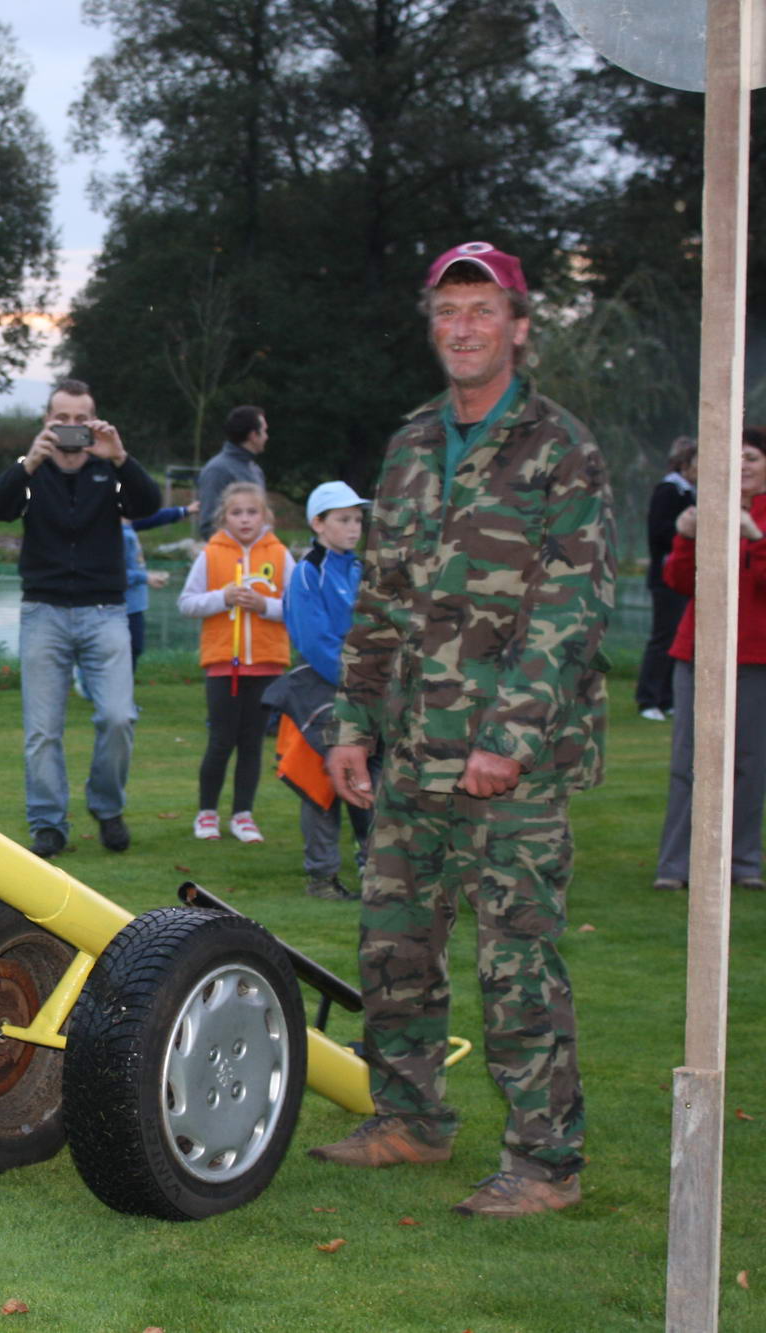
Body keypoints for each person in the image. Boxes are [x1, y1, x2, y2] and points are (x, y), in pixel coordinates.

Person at [312, 241, 613, 1219]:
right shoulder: (409, 444)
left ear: (518, 327)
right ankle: (410, 1119)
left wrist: (507, 736)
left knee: (514, 955)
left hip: (512, 760)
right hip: (412, 745)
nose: (463, 326)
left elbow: (571, 607)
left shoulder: (559, 448)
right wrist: (351, 721)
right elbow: (379, 597)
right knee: (392, 940)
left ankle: (545, 1162)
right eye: (448, 309)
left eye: (483, 308)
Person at [0, 380, 161, 859]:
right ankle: (48, 823)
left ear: (95, 421)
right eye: (62, 418)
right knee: (42, 730)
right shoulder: (32, 472)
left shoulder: (109, 470)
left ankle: (107, 806)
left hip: (106, 613)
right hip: (44, 613)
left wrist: (121, 456)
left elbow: (149, 505)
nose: (72, 427)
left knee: (119, 717)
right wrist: (28, 461)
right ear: (47, 421)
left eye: (82, 419)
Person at [652, 428, 766, 894]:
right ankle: (676, 865)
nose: (742, 465)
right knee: (689, 761)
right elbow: (681, 582)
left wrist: (755, 536)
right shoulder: (708, 509)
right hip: (698, 653)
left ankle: (742, 861)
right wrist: (684, 538)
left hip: (756, 656)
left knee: (749, 762)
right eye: (735, 457)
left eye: (752, 457)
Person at [177, 482, 288, 843]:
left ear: (265, 516)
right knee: (221, 741)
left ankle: (243, 815)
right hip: (223, 664)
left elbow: (297, 607)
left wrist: (265, 606)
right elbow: (187, 603)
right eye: (236, 512)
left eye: (252, 512)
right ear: (224, 517)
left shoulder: (280, 554)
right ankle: (207, 813)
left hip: (267, 664)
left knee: (252, 744)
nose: (245, 519)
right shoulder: (211, 554)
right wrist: (222, 598)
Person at [281, 480, 372, 897]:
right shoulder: (308, 572)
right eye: (343, 519)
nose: (353, 528)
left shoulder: (359, 568)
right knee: (321, 784)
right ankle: (321, 876)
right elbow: (315, 642)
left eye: (357, 519)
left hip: (364, 690)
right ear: (318, 524)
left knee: (370, 775)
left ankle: (373, 865)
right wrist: (358, 681)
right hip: (322, 689)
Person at [636, 436, 698, 720]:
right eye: (699, 461)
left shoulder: (691, 492)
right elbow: (659, 534)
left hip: (685, 577)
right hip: (666, 579)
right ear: (685, 463)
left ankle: (667, 697)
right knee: (664, 637)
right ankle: (648, 699)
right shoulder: (669, 490)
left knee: (679, 636)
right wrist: (687, 533)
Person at [122, 501, 194, 668]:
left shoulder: (129, 526)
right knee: (127, 652)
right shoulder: (115, 533)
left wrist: (184, 511)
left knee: (134, 650)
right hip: (121, 608)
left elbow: (154, 517)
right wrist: (145, 577)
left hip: (135, 606)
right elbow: (111, 572)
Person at [192, 405, 268, 541]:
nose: (266, 437)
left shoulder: (255, 470)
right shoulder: (217, 471)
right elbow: (208, 526)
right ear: (253, 436)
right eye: (264, 431)